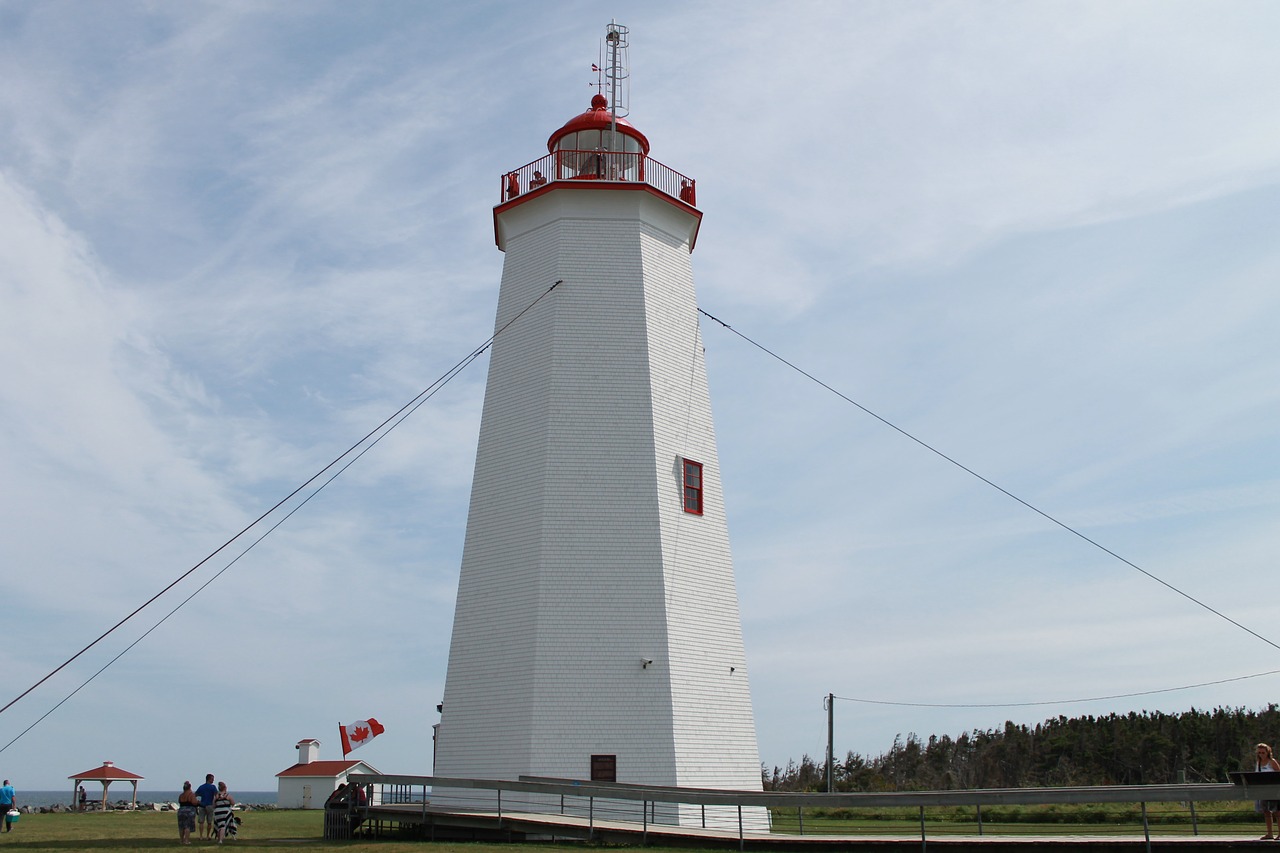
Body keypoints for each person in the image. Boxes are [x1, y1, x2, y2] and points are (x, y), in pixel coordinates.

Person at [1257, 744, 1280, 839]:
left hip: (1274, 790)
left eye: (1263, 752)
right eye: (1259, 753)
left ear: (1267, 752)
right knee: (1266, 811)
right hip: (1263, 790)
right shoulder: (1258, 762)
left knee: (1277, 812)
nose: (1261, 754)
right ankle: (1270, 833)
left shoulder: (1272, 761)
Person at [195, 773, 218, 839]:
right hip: (210, 805)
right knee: (209, 822)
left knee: (201, 822)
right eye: (212, 779)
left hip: (202, 805)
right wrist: (215, 804)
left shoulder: (201, 787)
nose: (213, 780)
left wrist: (197, 802)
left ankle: (201, 836)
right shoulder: (213, 787)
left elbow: (195, 795)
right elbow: (216, 796)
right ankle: (208, 836)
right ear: (209, 779)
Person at [177, 781, 199, 846]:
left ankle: (181, 840)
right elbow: (194, 802)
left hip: (181, 811)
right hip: (189, 811)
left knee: (181, 826)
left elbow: (180, 802)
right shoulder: (191, 794)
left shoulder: (181, 795)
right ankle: (186, 840)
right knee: (187, 826)